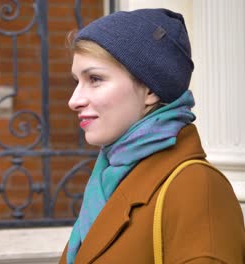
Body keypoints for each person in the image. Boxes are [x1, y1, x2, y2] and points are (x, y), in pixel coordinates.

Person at [60, 8, 245, 264]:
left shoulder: (197, 188)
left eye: (95, 79)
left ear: (150, 90)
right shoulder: (110, 178)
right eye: (76, 81)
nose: (74, 100)